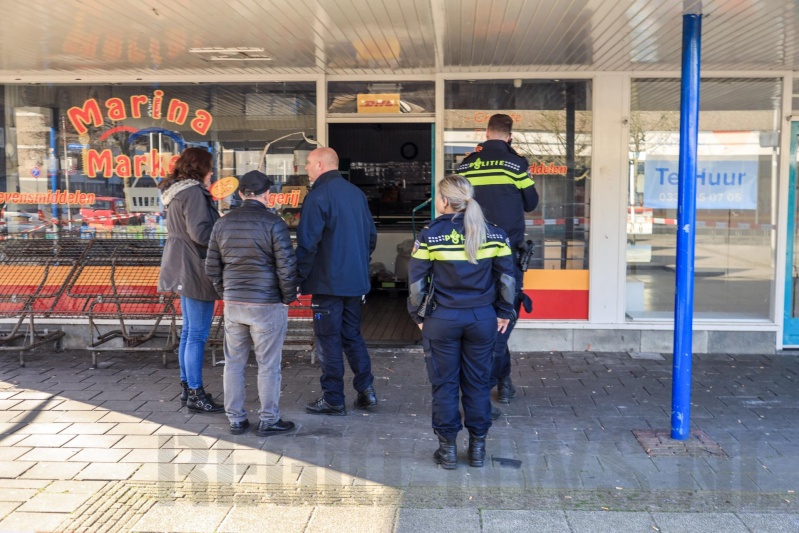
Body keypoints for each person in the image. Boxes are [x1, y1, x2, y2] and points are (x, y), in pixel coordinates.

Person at [408, 175, 516, 469]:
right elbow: (506, 279)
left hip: (442, 319)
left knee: (444, 385)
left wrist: (418, 315)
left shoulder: (430, 234)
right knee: (479, 384)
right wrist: (505, 312)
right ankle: (478, 450)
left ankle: (447, 452)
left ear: (443, 200)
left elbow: (416, 282)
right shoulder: (495, 234)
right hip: (482, 318)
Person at [205, 170, 297, 436]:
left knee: (233, 363)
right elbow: (286, 268)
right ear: (267, 194)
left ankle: (236, 420)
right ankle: (269, 420)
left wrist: (227, 293)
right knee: (268, 364)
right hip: (267, 304)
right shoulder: (274, 223)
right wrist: (287, 298)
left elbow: (212, 266)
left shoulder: (222, 223)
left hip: (234, 303)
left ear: (240, 194)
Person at [456, 114, 539, 407]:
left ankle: (500, 381)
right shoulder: (516, 164)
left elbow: (457, 204)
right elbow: (531, 203)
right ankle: (491, 385)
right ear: (509, 136)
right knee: (503, 319)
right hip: (507, 256)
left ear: (486, 132)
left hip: (472, 255)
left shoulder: (467, 164)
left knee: (483, 319)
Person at [296, 147, 378, 416]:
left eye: (308, 163)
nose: (306, 168)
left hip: (327, 284)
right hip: (355, 282)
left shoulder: (317, 197)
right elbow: (371, 239)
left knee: (328, 341)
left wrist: (298, 277)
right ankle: (366, 392)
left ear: (320, 164)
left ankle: (333, 399)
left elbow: (307, 246)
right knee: (352, 335)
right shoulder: (357, 194)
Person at [157, 147, 223, 414]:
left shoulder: (176, 192)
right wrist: (223, 231)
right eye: (210, 166)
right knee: (197, 334)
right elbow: (200, 233)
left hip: (180, 264)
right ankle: (195, 393)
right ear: (201, 168)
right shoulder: (194, 193)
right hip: (195, 266)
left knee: (188, 332)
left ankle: (188, 389)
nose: (213, 172)